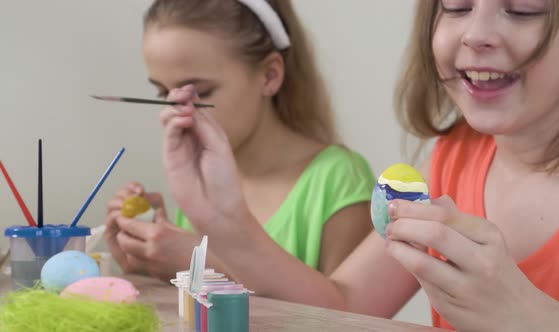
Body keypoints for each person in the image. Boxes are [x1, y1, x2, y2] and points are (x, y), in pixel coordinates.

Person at [160, 0, 559, 331]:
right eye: (456, 6)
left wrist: (527, 317)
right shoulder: (453, 158)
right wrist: (224, 219)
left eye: (523, 9)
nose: (477, 34)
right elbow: (342, 306)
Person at [103, 0, 375, 283]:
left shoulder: (338, 181)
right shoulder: (198, 177)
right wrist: (149, 263)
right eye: (163, 94)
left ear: (269, 75)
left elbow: (342, 316)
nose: (177, 113)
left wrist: (196, 264)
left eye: (201, 92)